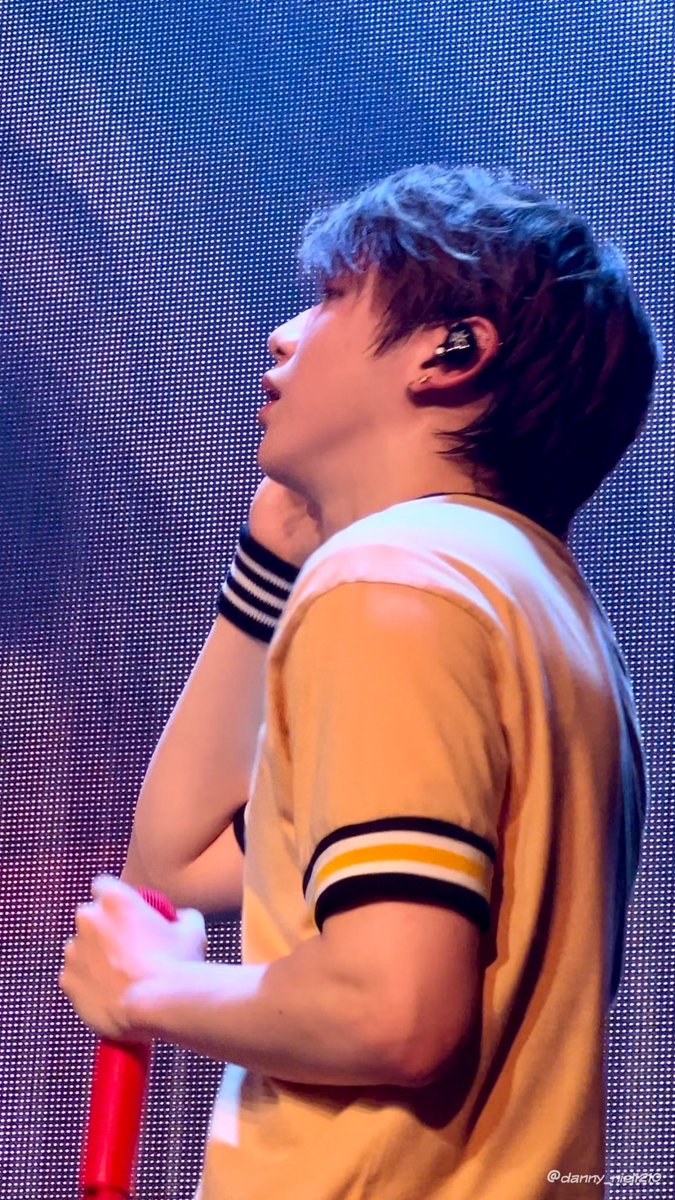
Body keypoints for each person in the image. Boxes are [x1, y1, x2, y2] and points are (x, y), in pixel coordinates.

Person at [60, 165, 660, 1199]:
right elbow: (177, 864)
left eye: (333, 297)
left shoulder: (394, 580)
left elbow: (394, 1010)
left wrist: (154, 991)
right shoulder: (539, 612)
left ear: (452, 351)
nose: (281, 337)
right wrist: (270, 564)